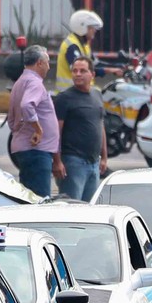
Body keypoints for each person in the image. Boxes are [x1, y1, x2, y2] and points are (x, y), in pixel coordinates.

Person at [9, 46, 61, 198]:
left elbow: (12, 120)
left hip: (27, 149)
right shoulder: (34, 83)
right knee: (39, 201)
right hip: (37, 151)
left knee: (29, 197)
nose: (49, 67)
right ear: (39, 63)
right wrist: (38, 130)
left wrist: (20, 131)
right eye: (47, 62)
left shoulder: (20, 82)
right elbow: (27, 105)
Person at [53, 57, 107, 200]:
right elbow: (56, 132)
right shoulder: (64, 98)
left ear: (92, 75)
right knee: (72, 209)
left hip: (94, 163)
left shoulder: (97, 95)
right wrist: (57, 161)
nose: (78, 74)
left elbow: (100, 126)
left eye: (83, 71)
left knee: (88, 211)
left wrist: (104, 157)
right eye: (75, 71)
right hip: (73, 163)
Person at [55, 9, 123, 93]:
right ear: (81, 27)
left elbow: (95, 63)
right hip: (69, 95)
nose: (94, 30)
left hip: (81, 92)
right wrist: (109, 70)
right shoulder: (72, 46)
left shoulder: (84, 45)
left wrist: (118, 66)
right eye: (91, 28)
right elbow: (82, 70)